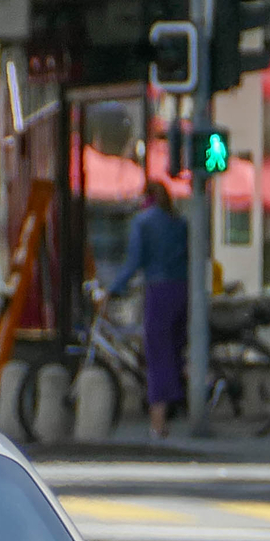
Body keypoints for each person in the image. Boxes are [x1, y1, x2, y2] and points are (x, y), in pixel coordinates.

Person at [103, 180, 191, 441]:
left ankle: (158, 423)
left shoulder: (143, 222)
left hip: (158, 292)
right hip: (182, 290)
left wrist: (114, 288)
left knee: (157, 356)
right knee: (175, 352)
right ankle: (182, 400)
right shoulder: (179, 221)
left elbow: (134, 262)